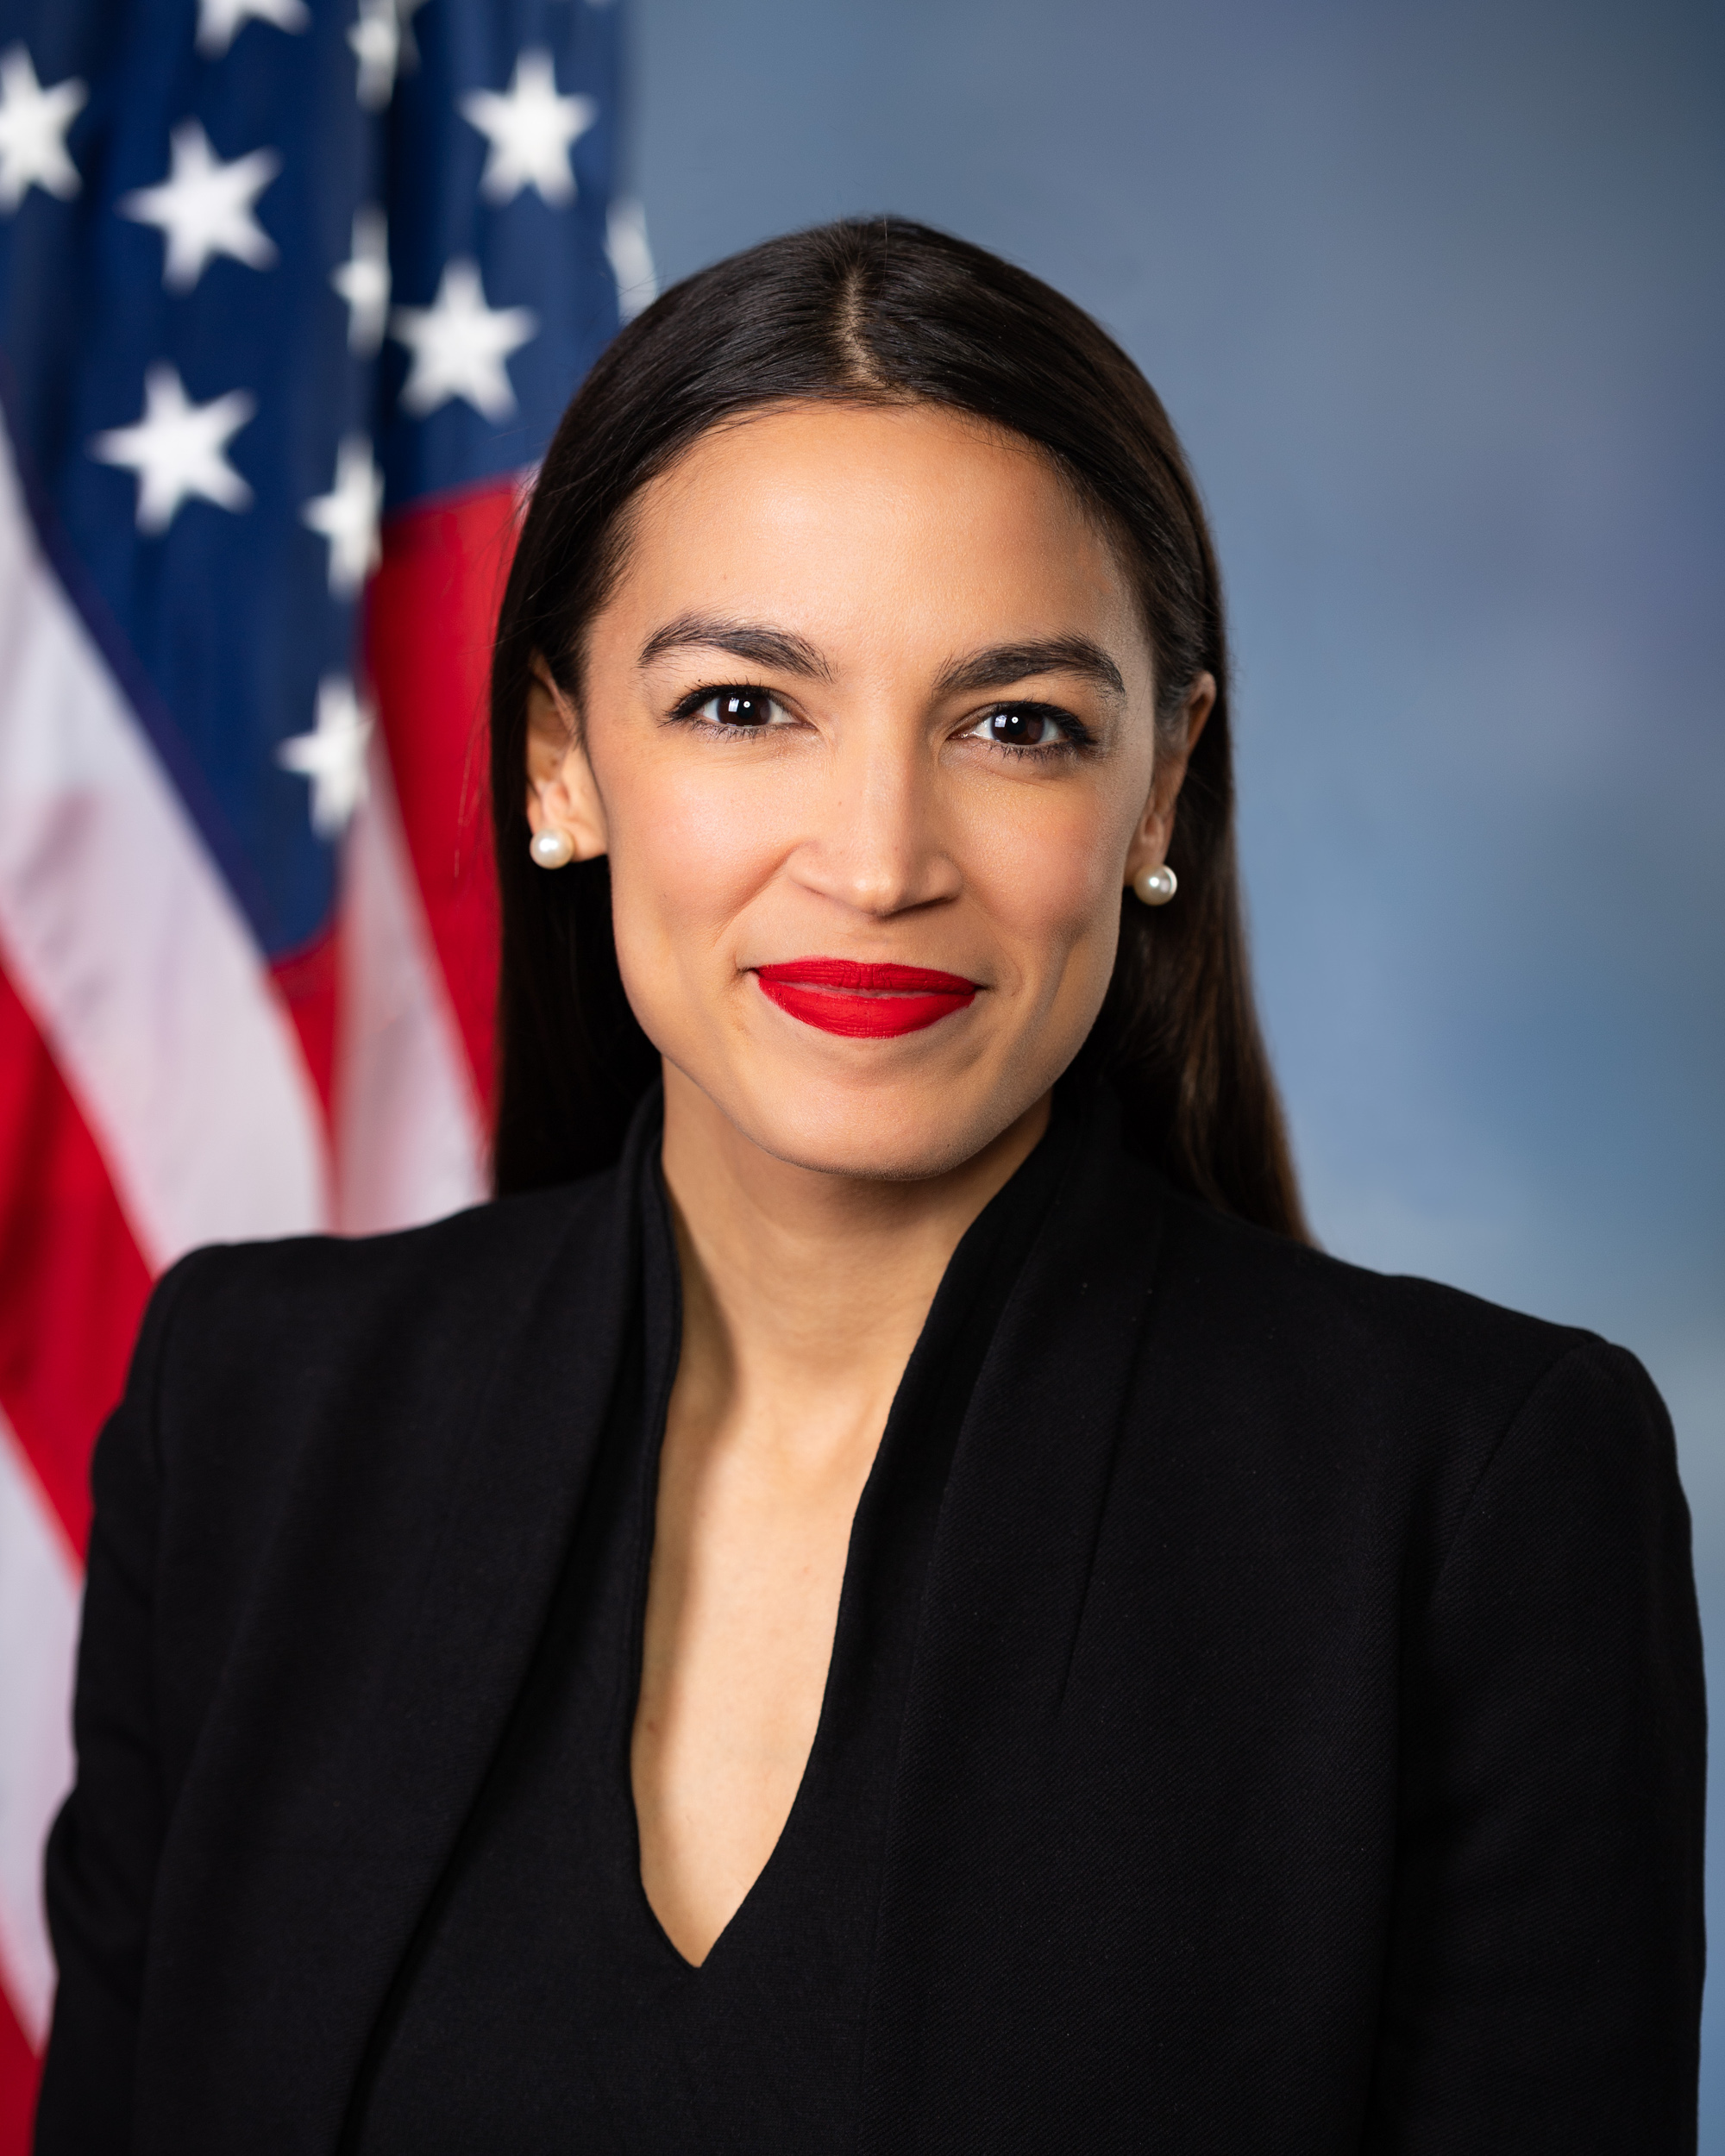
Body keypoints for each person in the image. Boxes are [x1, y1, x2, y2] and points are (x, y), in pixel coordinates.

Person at [35, 219, 1703, 2154]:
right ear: (560, 760)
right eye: (746, 704)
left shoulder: (1475, 1495)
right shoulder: (257, 1410)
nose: (879, 854)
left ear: (1157, 790)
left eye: (1016, 726)